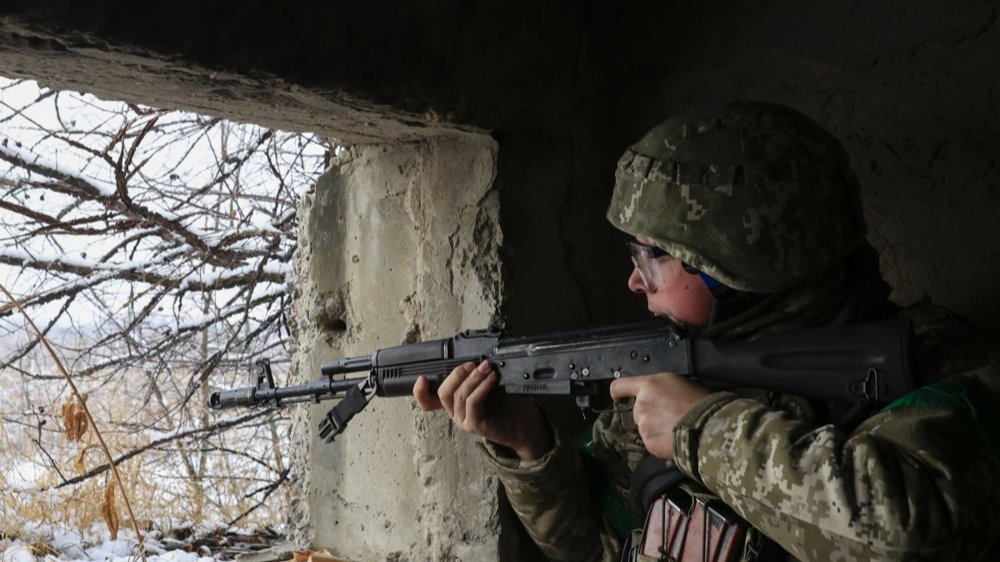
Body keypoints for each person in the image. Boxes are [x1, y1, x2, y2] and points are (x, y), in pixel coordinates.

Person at [413, 101, 1000, 561]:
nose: (634, 281)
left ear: (734, 269)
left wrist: (700, 429)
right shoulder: (677, 384)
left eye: (652, 259)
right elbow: (601, 551)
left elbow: (911, 539)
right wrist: (531, 447)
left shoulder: (939, 373)